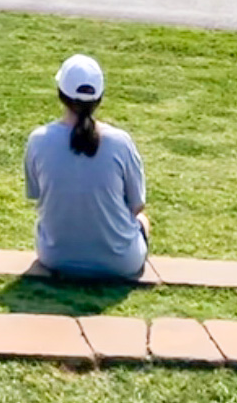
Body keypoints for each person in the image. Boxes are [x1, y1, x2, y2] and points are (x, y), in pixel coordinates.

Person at [24, 53, 150, 278]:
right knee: (143, 221)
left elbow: (36, 195)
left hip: (56, 256)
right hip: (120, 262)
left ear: (60, 94)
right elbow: (136, 205)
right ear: (99, 97)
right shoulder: (120, 142)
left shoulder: (38, 139)